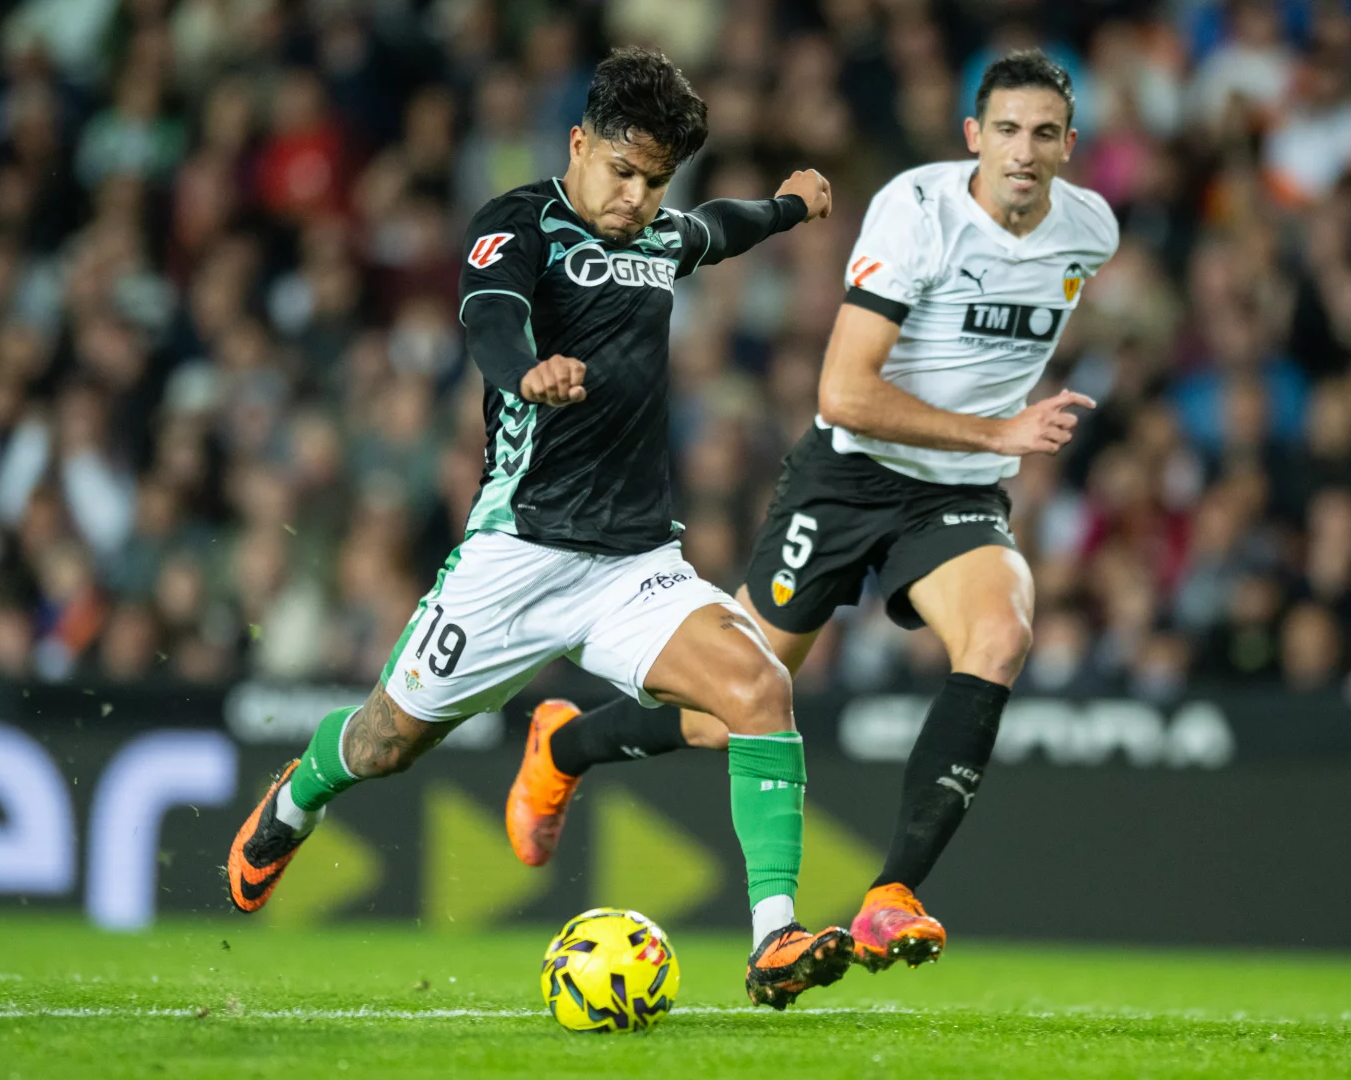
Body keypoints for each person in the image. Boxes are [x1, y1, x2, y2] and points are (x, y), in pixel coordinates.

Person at [223, 47, 847, 1011]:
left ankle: (774, 941)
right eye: (622, 171)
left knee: (761, 688)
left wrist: (788, 206)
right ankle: (296, 799)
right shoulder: (518, 223)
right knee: (385, 743)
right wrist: (524, 371)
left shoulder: (658, 235)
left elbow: (718, 230)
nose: (636, 199)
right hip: (516, 556)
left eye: (655, 182)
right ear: (578, 143)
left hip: (634, 562)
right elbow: (490, 317)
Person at [509, 51, 1118, 974]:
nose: (1023, 151)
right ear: (973, 137)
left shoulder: (1090, 231)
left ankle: (891, 896)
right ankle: (566, 742)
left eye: (1043, 134)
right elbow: (843, 394)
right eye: (1005, 130)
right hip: (849, 477)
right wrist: (1000, 431)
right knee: (726, 713)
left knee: (1001, 635)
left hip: (955, 494)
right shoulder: (918, 213)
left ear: (1070, 145)